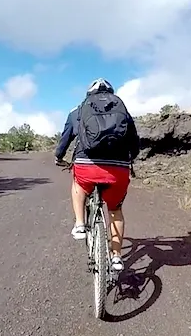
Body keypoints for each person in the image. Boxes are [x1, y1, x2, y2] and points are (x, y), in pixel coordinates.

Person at [54, 78, 140, 272]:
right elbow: (134, 144)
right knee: (115, 210)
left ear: (89, 95)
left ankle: (79, 225)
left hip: (87, 166)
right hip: (118, 169)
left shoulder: (78, 111)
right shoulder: (123, 111)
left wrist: (59, 157)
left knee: (78, 184)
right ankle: (116, 256)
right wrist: (129, 160)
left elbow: (65, 139)